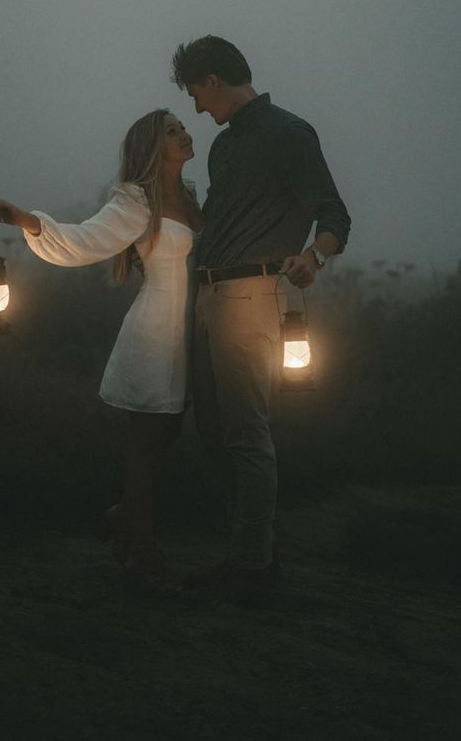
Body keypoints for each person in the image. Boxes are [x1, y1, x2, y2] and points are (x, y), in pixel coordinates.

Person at [0, 109, 202, 594]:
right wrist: (26, 219)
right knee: (146, 445)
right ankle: (141, 554)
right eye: (172, 130)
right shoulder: (136, 201)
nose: (185, 133)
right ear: (151, 147)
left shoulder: (189, 197)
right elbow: (85, 240)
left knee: (167, 434)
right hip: (154, 331)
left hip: (187, 333)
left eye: (182, 126)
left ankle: (124, 514)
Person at [171, 35, 351, 604]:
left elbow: (335, 214)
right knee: (213, 431)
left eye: (196, 94)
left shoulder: (290, 133)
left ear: (215, 81)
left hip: (252, 296)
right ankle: (247, 553)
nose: (196, 108)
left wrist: (314, 255)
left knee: (246, 433)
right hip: (205, 295)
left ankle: (252, 567)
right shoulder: (224, 149)